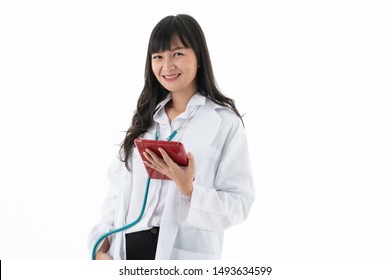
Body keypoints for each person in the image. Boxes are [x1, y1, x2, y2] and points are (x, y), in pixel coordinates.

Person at [88, 14, 255, 260]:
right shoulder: (144, 121)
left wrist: (189, 189)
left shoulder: (223, 123)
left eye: (177, 54)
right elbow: (117, 192)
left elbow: (239, 204)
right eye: (158, 57)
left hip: (180, 255)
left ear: (199, 58)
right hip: (126, 251)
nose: (167, 66)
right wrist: (100, 246)